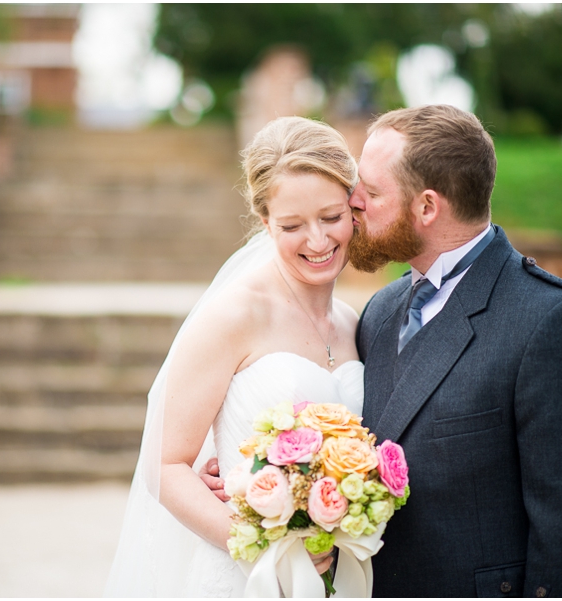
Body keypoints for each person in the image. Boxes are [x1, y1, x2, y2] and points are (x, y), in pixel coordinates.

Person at [346, 104, 562, 597]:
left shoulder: (551, 322)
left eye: (370, 192)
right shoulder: (379, 311)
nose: (353, 202)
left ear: (427, 207)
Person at [104, 116, 367, 597]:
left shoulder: (355, 324)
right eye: (291, 225)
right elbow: (164, 469)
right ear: (265, 222)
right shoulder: (232, 316)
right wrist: (274, 548)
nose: (317, 241)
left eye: (331, 217)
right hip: (243, 575)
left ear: (354, 207)